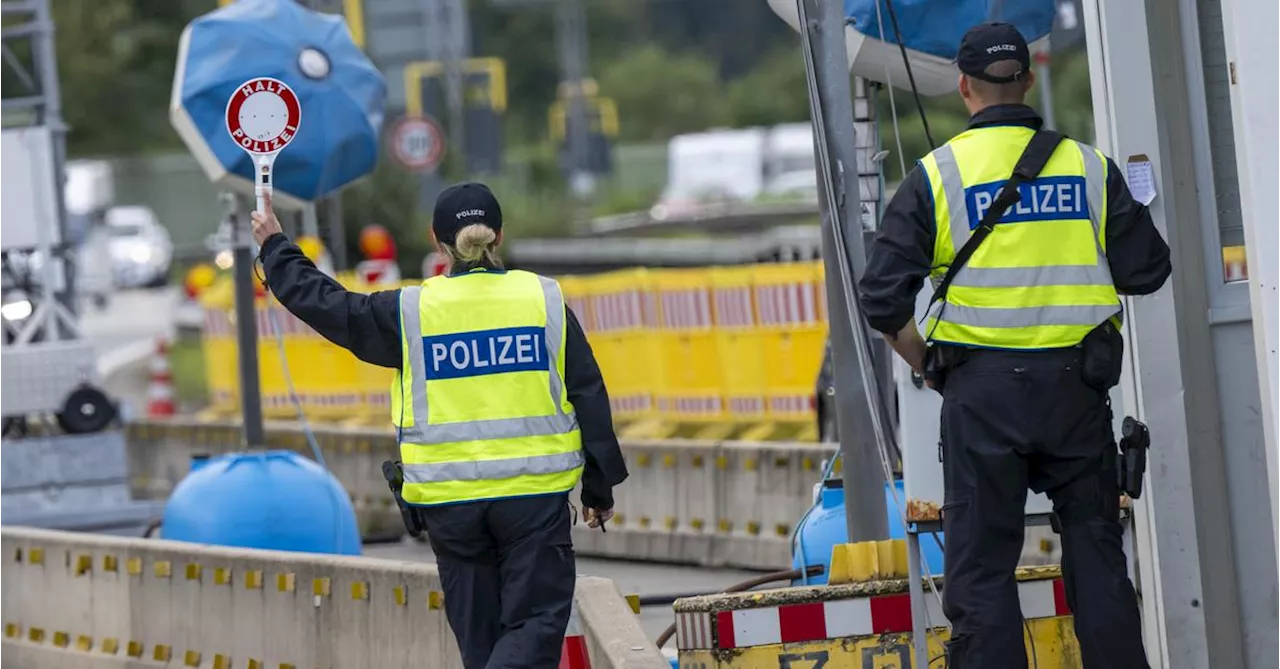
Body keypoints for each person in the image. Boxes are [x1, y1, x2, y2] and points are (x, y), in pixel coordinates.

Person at [858, 22, 1170, 669]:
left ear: (965, 88)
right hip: (1077, 393)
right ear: (1028, 79)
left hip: (980, 397)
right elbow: (1148, 268)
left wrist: (929, 365)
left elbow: (882, 297)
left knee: (981, 573)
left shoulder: (937, 177)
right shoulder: (1086, 166)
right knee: (1097, 558)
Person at [251, 182, 629, 668]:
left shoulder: (410, 313)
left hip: (452, 508)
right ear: (499, 235)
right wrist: (599, 488)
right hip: (533, 502)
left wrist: (276, 248)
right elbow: (588, 393)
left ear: (436, 240)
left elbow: (330, 306)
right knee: (533, 629)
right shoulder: (544, 300)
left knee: (481, 642)